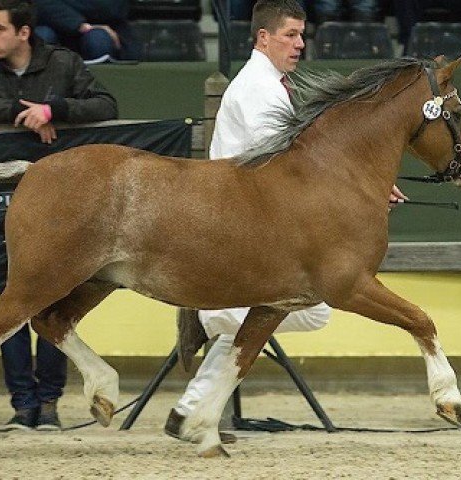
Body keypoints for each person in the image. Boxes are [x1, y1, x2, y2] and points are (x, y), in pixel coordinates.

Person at [164, 0, 406, 441]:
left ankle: (191, 407)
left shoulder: (274, 84)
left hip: (258, 226)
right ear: (263, 37)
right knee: (310, 309)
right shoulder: (260, 87)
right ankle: (213, 330)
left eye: (301, 35)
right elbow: (281, 165)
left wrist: (372, 189)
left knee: (298, 310)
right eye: (291, 35)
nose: (300, 44)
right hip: (242, 229)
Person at [0, 0, 118, 430]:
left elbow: (105, 104)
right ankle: (22, 401)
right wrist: (17, 113)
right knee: (6, 297)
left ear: (23, 32)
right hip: (1, 196)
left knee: (54, 294)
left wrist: (53, 109)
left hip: (61, 199)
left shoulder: (63, 62)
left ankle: (47, 403)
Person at [34, 0, 140, 61]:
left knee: (98, 40)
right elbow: (39, 3)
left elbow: (109, 7)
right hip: (53, 24)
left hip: (106, 29)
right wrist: (80, 25)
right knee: (42, 37)